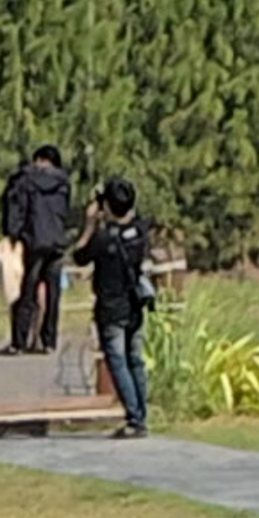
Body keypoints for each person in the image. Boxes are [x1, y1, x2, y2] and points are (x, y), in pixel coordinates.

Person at [86, 172, 157, 439]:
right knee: (134, 360)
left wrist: (90, 223)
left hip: (111, 307)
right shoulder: (140, 231)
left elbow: (81, 255)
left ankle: (134, 418)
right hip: (134, 304)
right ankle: (142, 415)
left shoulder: (104, 239)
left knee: (118, 361)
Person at [1, 138, 75, 357]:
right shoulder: (64, 183)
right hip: (56, 243)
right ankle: (48, 341)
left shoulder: (25, 180)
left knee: (27, 292)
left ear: (39, 159)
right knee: (53, 294)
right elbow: (65, 212)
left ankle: (19, 341)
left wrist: (13, 235)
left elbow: (16, 210)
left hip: (33, 241)